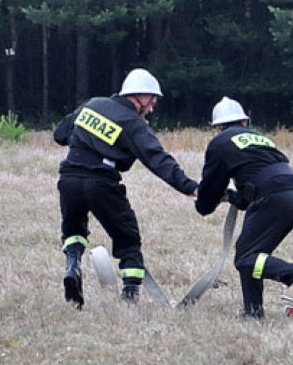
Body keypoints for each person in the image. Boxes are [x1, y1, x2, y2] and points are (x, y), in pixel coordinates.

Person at [54, 68, 198, 306]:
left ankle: (72, 267)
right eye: (151, 101)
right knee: (128, 238)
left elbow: (60, 134)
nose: (151, 108)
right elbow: (157, 159)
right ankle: (130, 296)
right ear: (138, 96)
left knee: (73, 231)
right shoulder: (132, 122)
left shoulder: (91, 105)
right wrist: (190, 187)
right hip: (102, 181)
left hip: (69, 178)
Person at [195, 97, 293, 320]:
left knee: (245, 258)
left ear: (218, 127)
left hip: (272, 197)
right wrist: (233, 197)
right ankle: (253, 311)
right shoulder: (259, 138)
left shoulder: (220, 143)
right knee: (253, 254)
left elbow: (211, 185)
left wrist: (204, 204)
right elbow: (253, 186)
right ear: (244, 122)